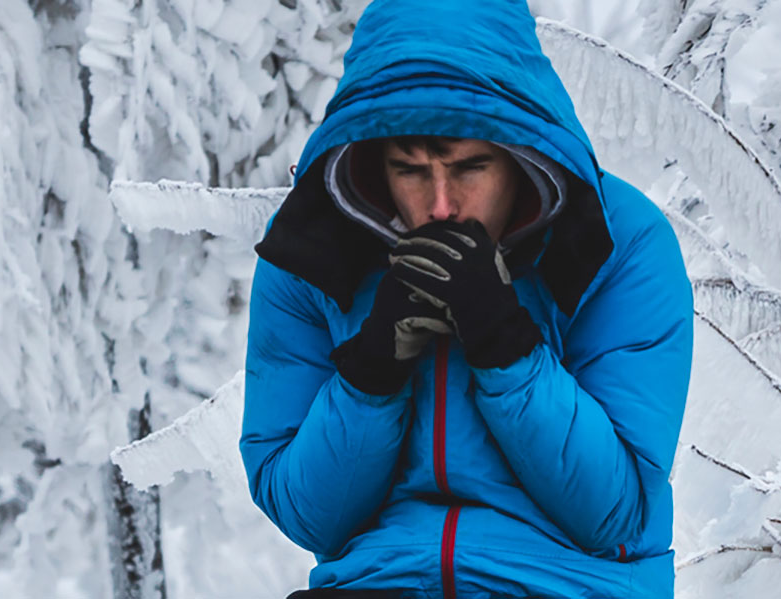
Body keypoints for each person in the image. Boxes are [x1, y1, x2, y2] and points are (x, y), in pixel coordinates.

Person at [238, 0, 694, 597]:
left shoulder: (618, 242)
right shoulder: (313, 254)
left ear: (521, 154)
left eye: (470, 167)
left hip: (564, 585)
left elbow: (615, 516)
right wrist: (370, 372)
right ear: (373, 163)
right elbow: (308, 518)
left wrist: (506, 345)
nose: (442, 205)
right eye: (410, 170)